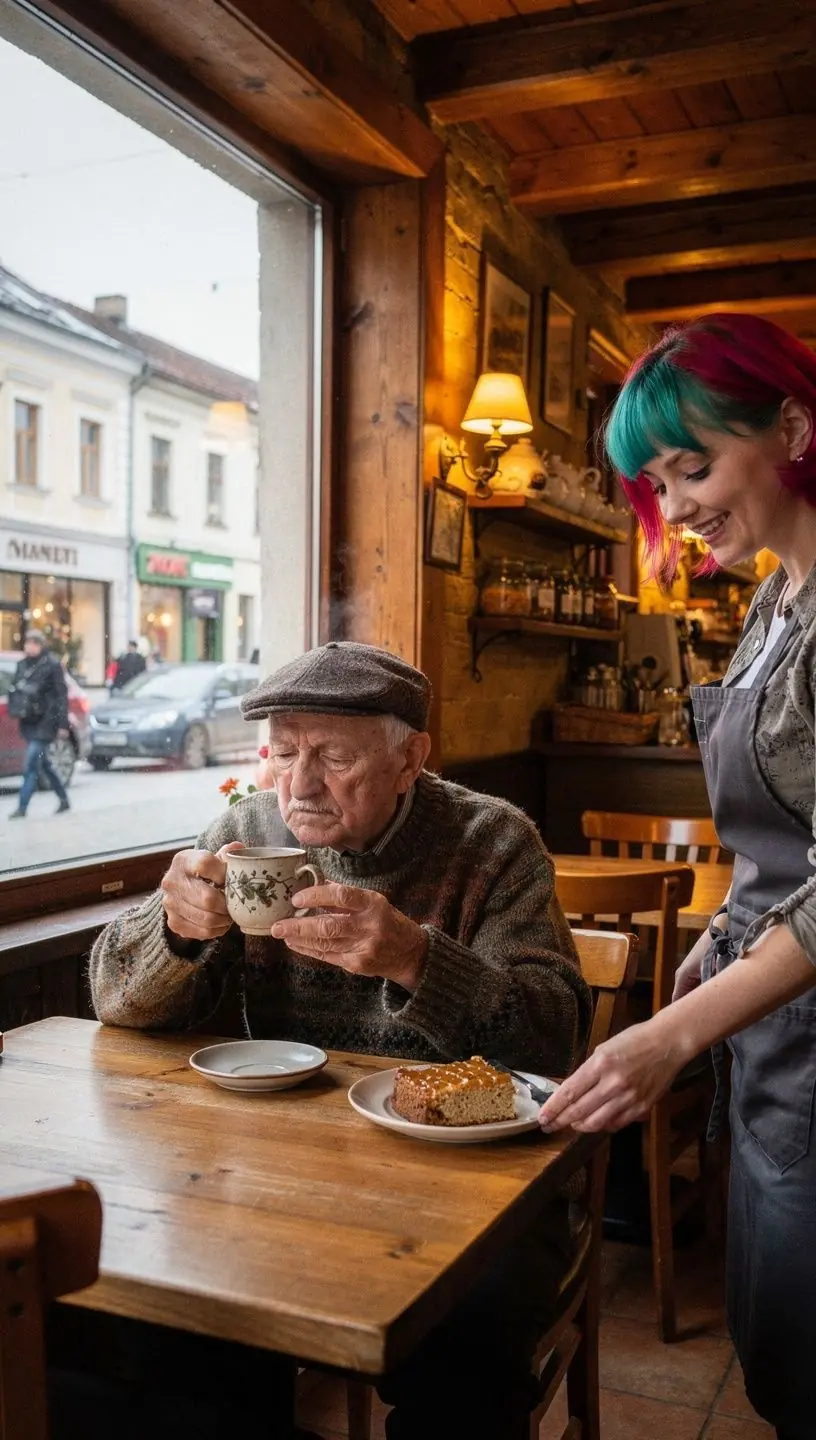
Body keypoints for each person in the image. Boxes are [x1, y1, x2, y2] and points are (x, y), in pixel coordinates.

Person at [90, 640, 590, 1440]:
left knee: (462, 1372)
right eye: (283, 753)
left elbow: (555, 1033)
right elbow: (116, 999)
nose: (299, 784)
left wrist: (418, 959)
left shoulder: (491, 843)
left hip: (466, 1186)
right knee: (172, 1338)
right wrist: (174, 930)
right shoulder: (244, 832)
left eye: (333, 757)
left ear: (410, 758)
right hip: (280, 1178)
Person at [539, 314, 816, 1440]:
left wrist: (672, 1033)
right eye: (659, 478)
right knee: (778, 1331)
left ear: (793, 427)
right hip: (773, 1026)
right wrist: (722, 934)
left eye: (693, 466)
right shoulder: (771, 598)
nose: (680, 503)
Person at [8, 628, 71, 819]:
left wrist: (62, 724)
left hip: (46, 722)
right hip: (28, 721)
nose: (30, 646)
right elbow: (17, 689)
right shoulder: (22, 665)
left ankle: (22, 806)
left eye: (34, 643)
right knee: (44, 764)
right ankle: (63, 799)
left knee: (30, 764)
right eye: (28, 642)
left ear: (41, 645)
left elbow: (61, 696)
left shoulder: (52, 665)